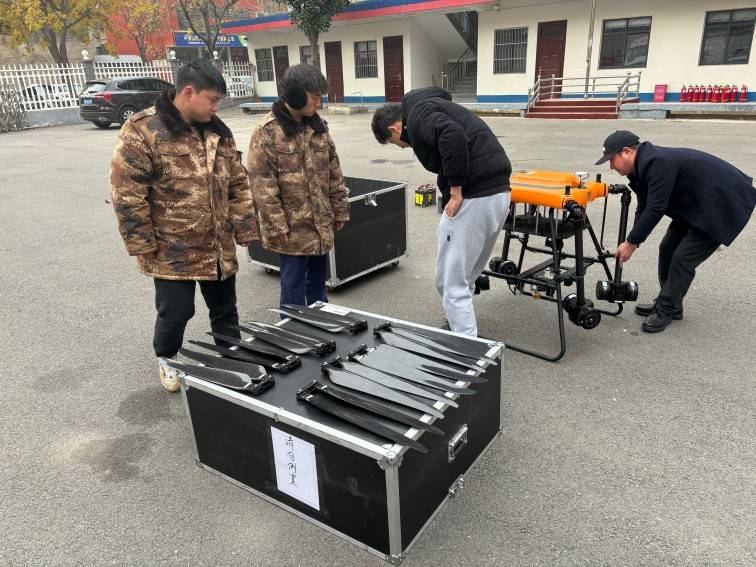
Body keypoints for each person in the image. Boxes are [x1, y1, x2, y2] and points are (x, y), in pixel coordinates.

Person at [110, 59, 258, 392]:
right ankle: (166, 357)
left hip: (217, 244)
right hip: (171, 248)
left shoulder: (218, 131)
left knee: (225, 309)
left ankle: (232, 361)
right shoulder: (144, 129)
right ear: (188, 92)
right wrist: (141, 244)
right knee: (176, 311)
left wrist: (246, 226)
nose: (216, 107)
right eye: (212, 99)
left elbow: (237, 182)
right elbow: (126, 192)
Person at [371, 87, 511, 336]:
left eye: (394, 142)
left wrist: (455, 191)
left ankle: (465, 347)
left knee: (450, 282)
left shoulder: (417, 115)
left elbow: (451, 135)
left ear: (394, 129)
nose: (401, 147)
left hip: (474, 196)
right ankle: (459, 325)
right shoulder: (432, 107)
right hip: (498, 193)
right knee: (463, 277)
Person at [596, 130, 755, 333]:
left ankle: (666, 308)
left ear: (626, 152)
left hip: (722, 205)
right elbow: (644, 205)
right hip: (696, 205)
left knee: (682, 259)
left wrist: (631, 243)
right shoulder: (639, 169)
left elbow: (656, 208)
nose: (611, 166)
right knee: (667, 248)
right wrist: (633, 240)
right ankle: (672, 303)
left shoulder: (657, 163)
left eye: (612, 159)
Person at [247, 64, 349, 310]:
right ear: (296, 94)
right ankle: (292, 328)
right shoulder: (267, 132)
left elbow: (334, 171)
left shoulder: (318, 128)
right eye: (314, 97)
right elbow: (262, 183)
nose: (319, 103)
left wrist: (340, 208)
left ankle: (320, 325)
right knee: (292, 290)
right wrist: (276, 224)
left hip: (320, 223)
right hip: (291, 229)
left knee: (317, 288)